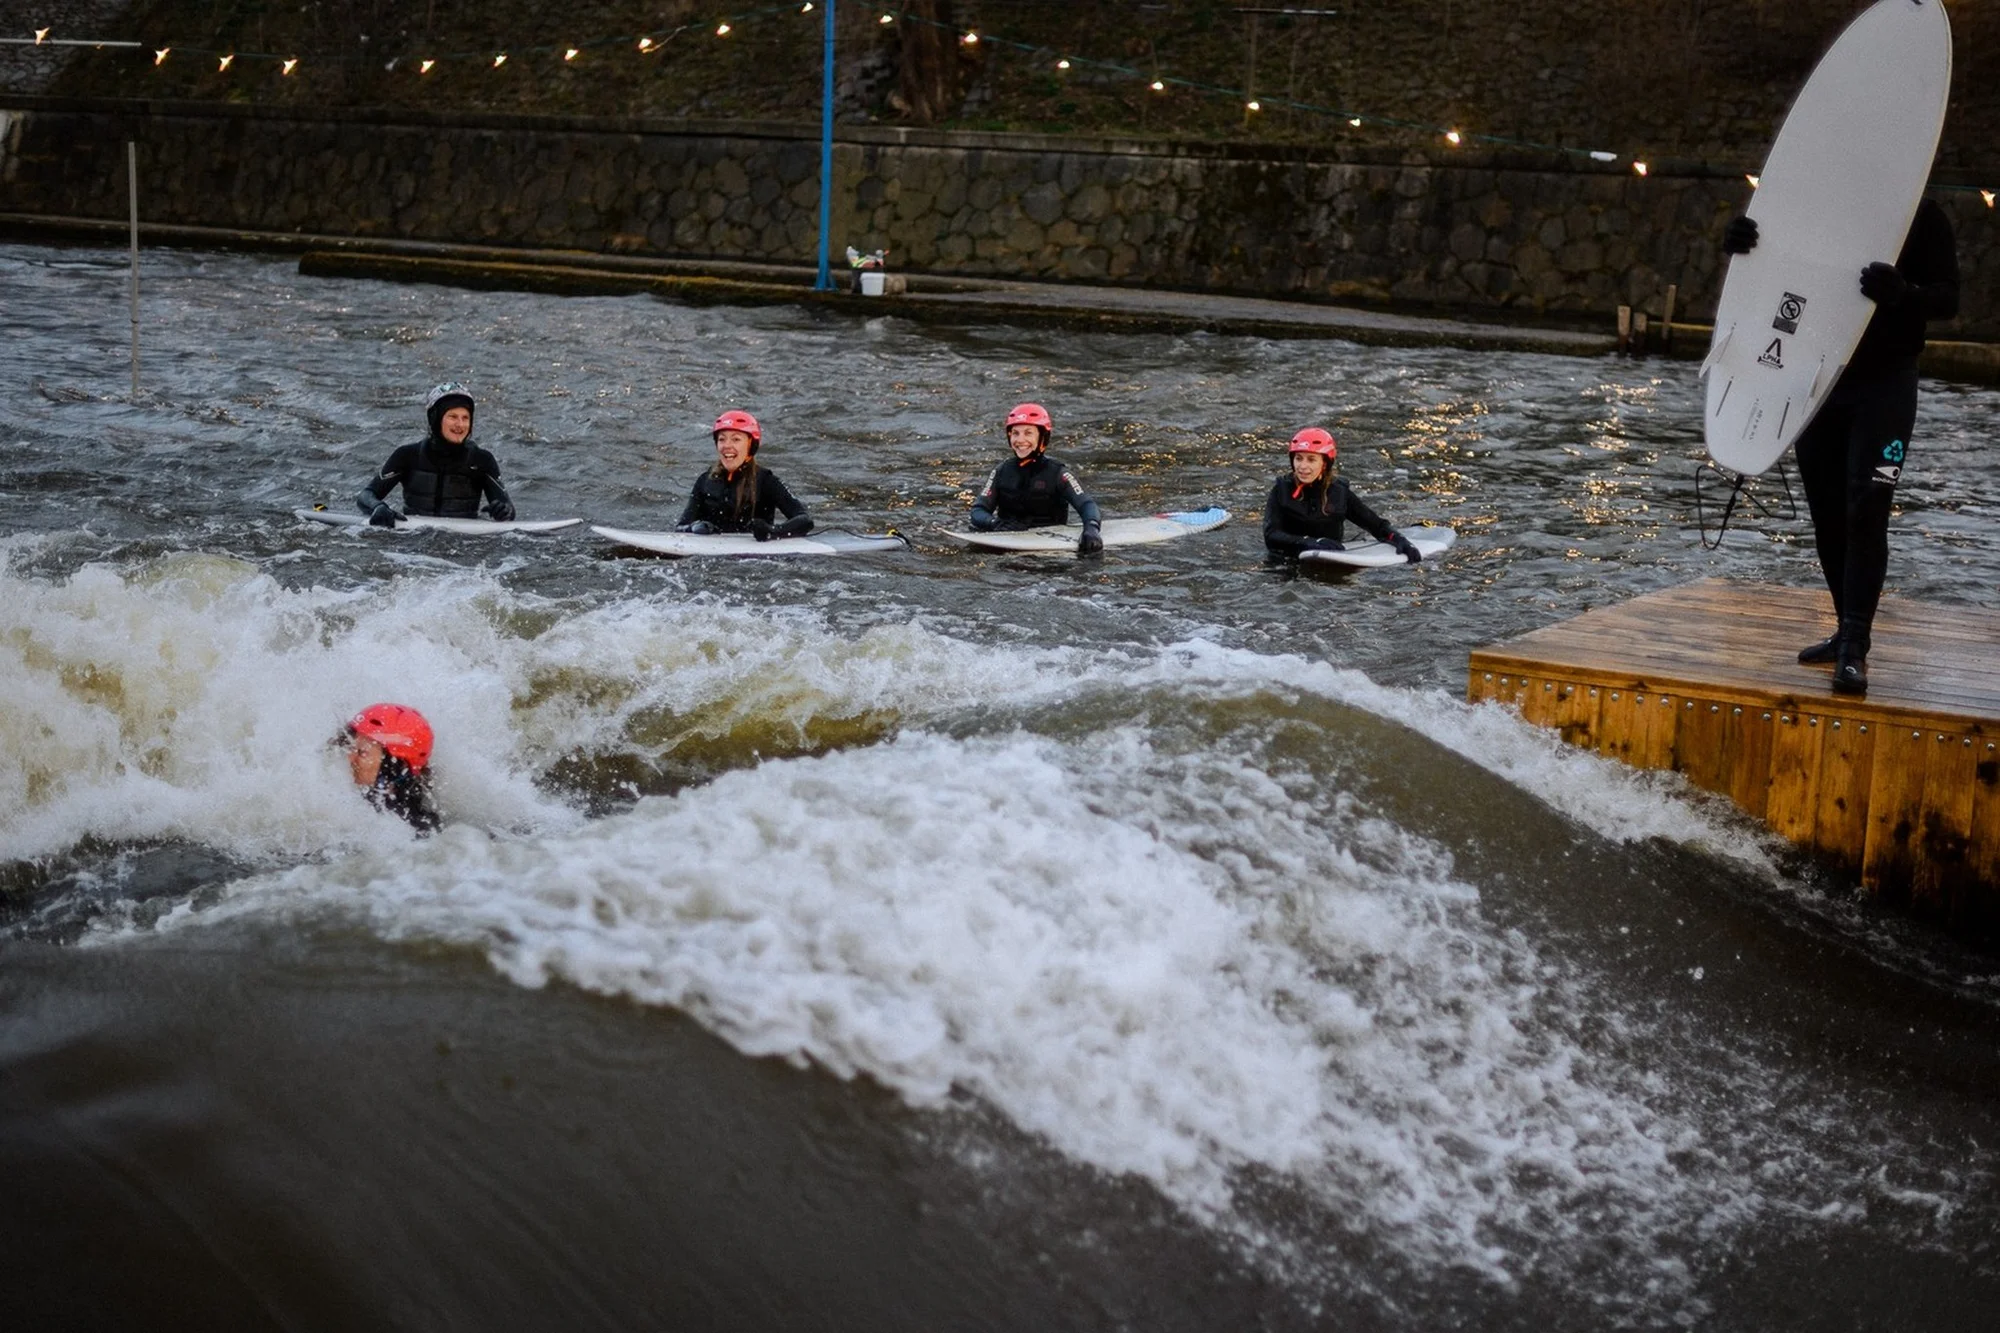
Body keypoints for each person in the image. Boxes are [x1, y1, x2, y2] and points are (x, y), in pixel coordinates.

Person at [1722, 199, 1959, 694]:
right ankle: (1844, 630)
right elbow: (1778, 275)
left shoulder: (1921, 210)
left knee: (1866, 506)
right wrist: (1744, 249)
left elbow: (1949, 299)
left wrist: (1903, 294)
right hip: (1817, 378)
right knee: (1828, 512)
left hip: (1886, 383)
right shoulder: (1820, 196)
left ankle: (1855, 646)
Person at [355, 382, 515, 527]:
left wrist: (504, 511)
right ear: (435, 418)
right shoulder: (407, 455)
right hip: (412, 539)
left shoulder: (482, 460)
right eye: (453, 416)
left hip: (464, 544)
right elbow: (366, 495)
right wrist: (378, 507)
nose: (460, 424)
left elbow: (508, 509)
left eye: (465, 418)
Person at [1262, 428, 1421, 562]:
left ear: (1324, 463)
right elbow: (1271, 535)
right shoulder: (1281, 490)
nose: (1302, 466)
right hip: (1287, 561)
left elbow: (1376, 525)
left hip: (1332, 558)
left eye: (1311, 460)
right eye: (1298, 458)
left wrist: (1400, 539)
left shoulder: (1339, 492)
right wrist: (1310, 542)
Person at [969, 403, 1104, 555]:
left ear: (1042, 437)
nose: (1020, 440)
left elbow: (1086, 504)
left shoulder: (1059, 473)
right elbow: (978, 510)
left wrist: (1091, 529)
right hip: (1005, 545)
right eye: (1015, 433)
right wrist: (994, 523)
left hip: (1051, 550)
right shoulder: (1001, 471)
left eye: (1028, 433)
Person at [674, 410, 814, 540]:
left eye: (736, 439)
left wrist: (772, 531)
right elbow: (680, 527)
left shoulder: (766, 480)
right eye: (722, 439)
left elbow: (805, 520)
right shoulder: (705, 480)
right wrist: (694, 527)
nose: (727, 446)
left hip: (754, 559)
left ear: (750, 445)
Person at [339, 703, 441, 834]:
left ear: (394, 769)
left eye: (362, 753)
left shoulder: (416, 830)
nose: (349, 758)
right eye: (349, 747)